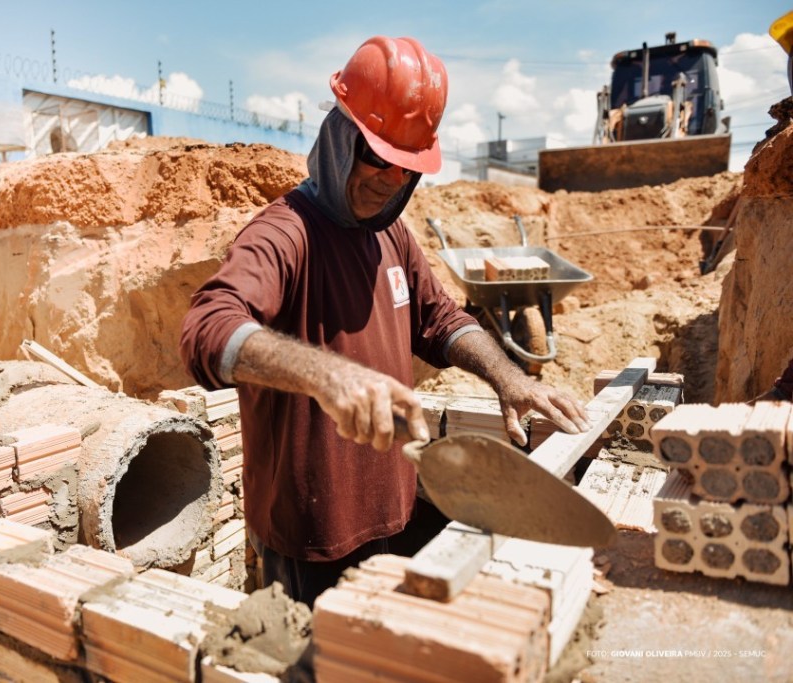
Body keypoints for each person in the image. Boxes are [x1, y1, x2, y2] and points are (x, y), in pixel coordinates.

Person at [180, 36, 590, 608]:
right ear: (340, 134)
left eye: (407, 168)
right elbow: (208, 329)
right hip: (310, 541)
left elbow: (440, 320)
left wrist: (511, 380)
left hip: (392, 513)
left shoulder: (391, 235)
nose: (391, 180)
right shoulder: (285, 234)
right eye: (379, 157)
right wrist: (329, 376)